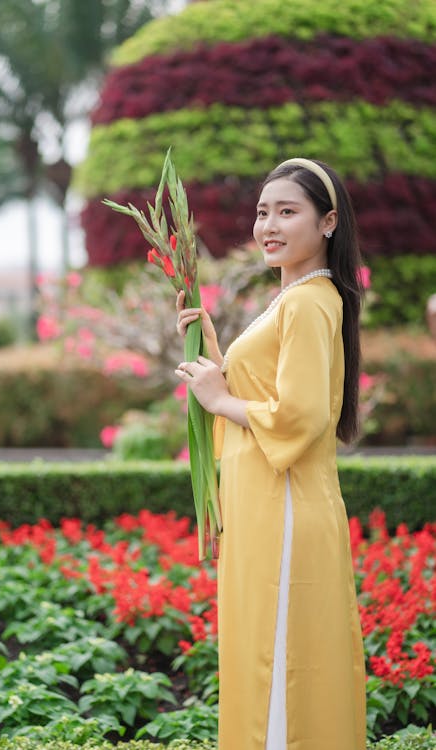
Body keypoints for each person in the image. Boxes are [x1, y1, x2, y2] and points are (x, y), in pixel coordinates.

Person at [175, 158, 366, 750]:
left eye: (289, 211)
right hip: (267, 501)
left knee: (278, 662)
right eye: (264, 212)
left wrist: (217, 399)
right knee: (266, 651)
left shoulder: (309, 301)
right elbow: (267, 389)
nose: (270, 225)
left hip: (284, 509)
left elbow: (301, 415)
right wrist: (213, 344)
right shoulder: (294, 298)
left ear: (328, 222)